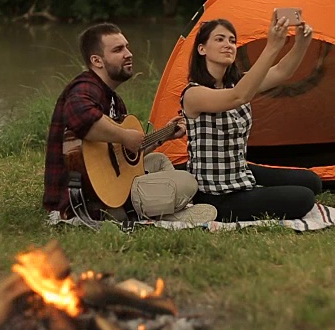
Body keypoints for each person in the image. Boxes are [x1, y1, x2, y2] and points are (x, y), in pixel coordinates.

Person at [43, 22, 216, 223]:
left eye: (127, 46)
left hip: (108, 187)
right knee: (187, 181)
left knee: (159, 160)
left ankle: (162, 212)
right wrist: (125, 136)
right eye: (118, 50)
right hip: (84, 198)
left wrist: (164, 136)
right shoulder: (85, 87)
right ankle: (145, 213)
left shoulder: (115, 101)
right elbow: (82, 118)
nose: (129, 53)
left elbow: (123, 158)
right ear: (97, 61)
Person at [180, 11, 322, 222]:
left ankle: (252, 184)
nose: (228, 44)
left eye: (232, 40)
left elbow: (282, 72)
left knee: (312, 181)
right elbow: (239, 96)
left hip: (238, 169)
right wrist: (272, 46)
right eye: (219, 39)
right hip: (215, 194)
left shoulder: (237, 84)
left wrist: (301, 43)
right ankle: (241, 198)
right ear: (202, 49)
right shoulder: (194, 94)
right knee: (304, 198)